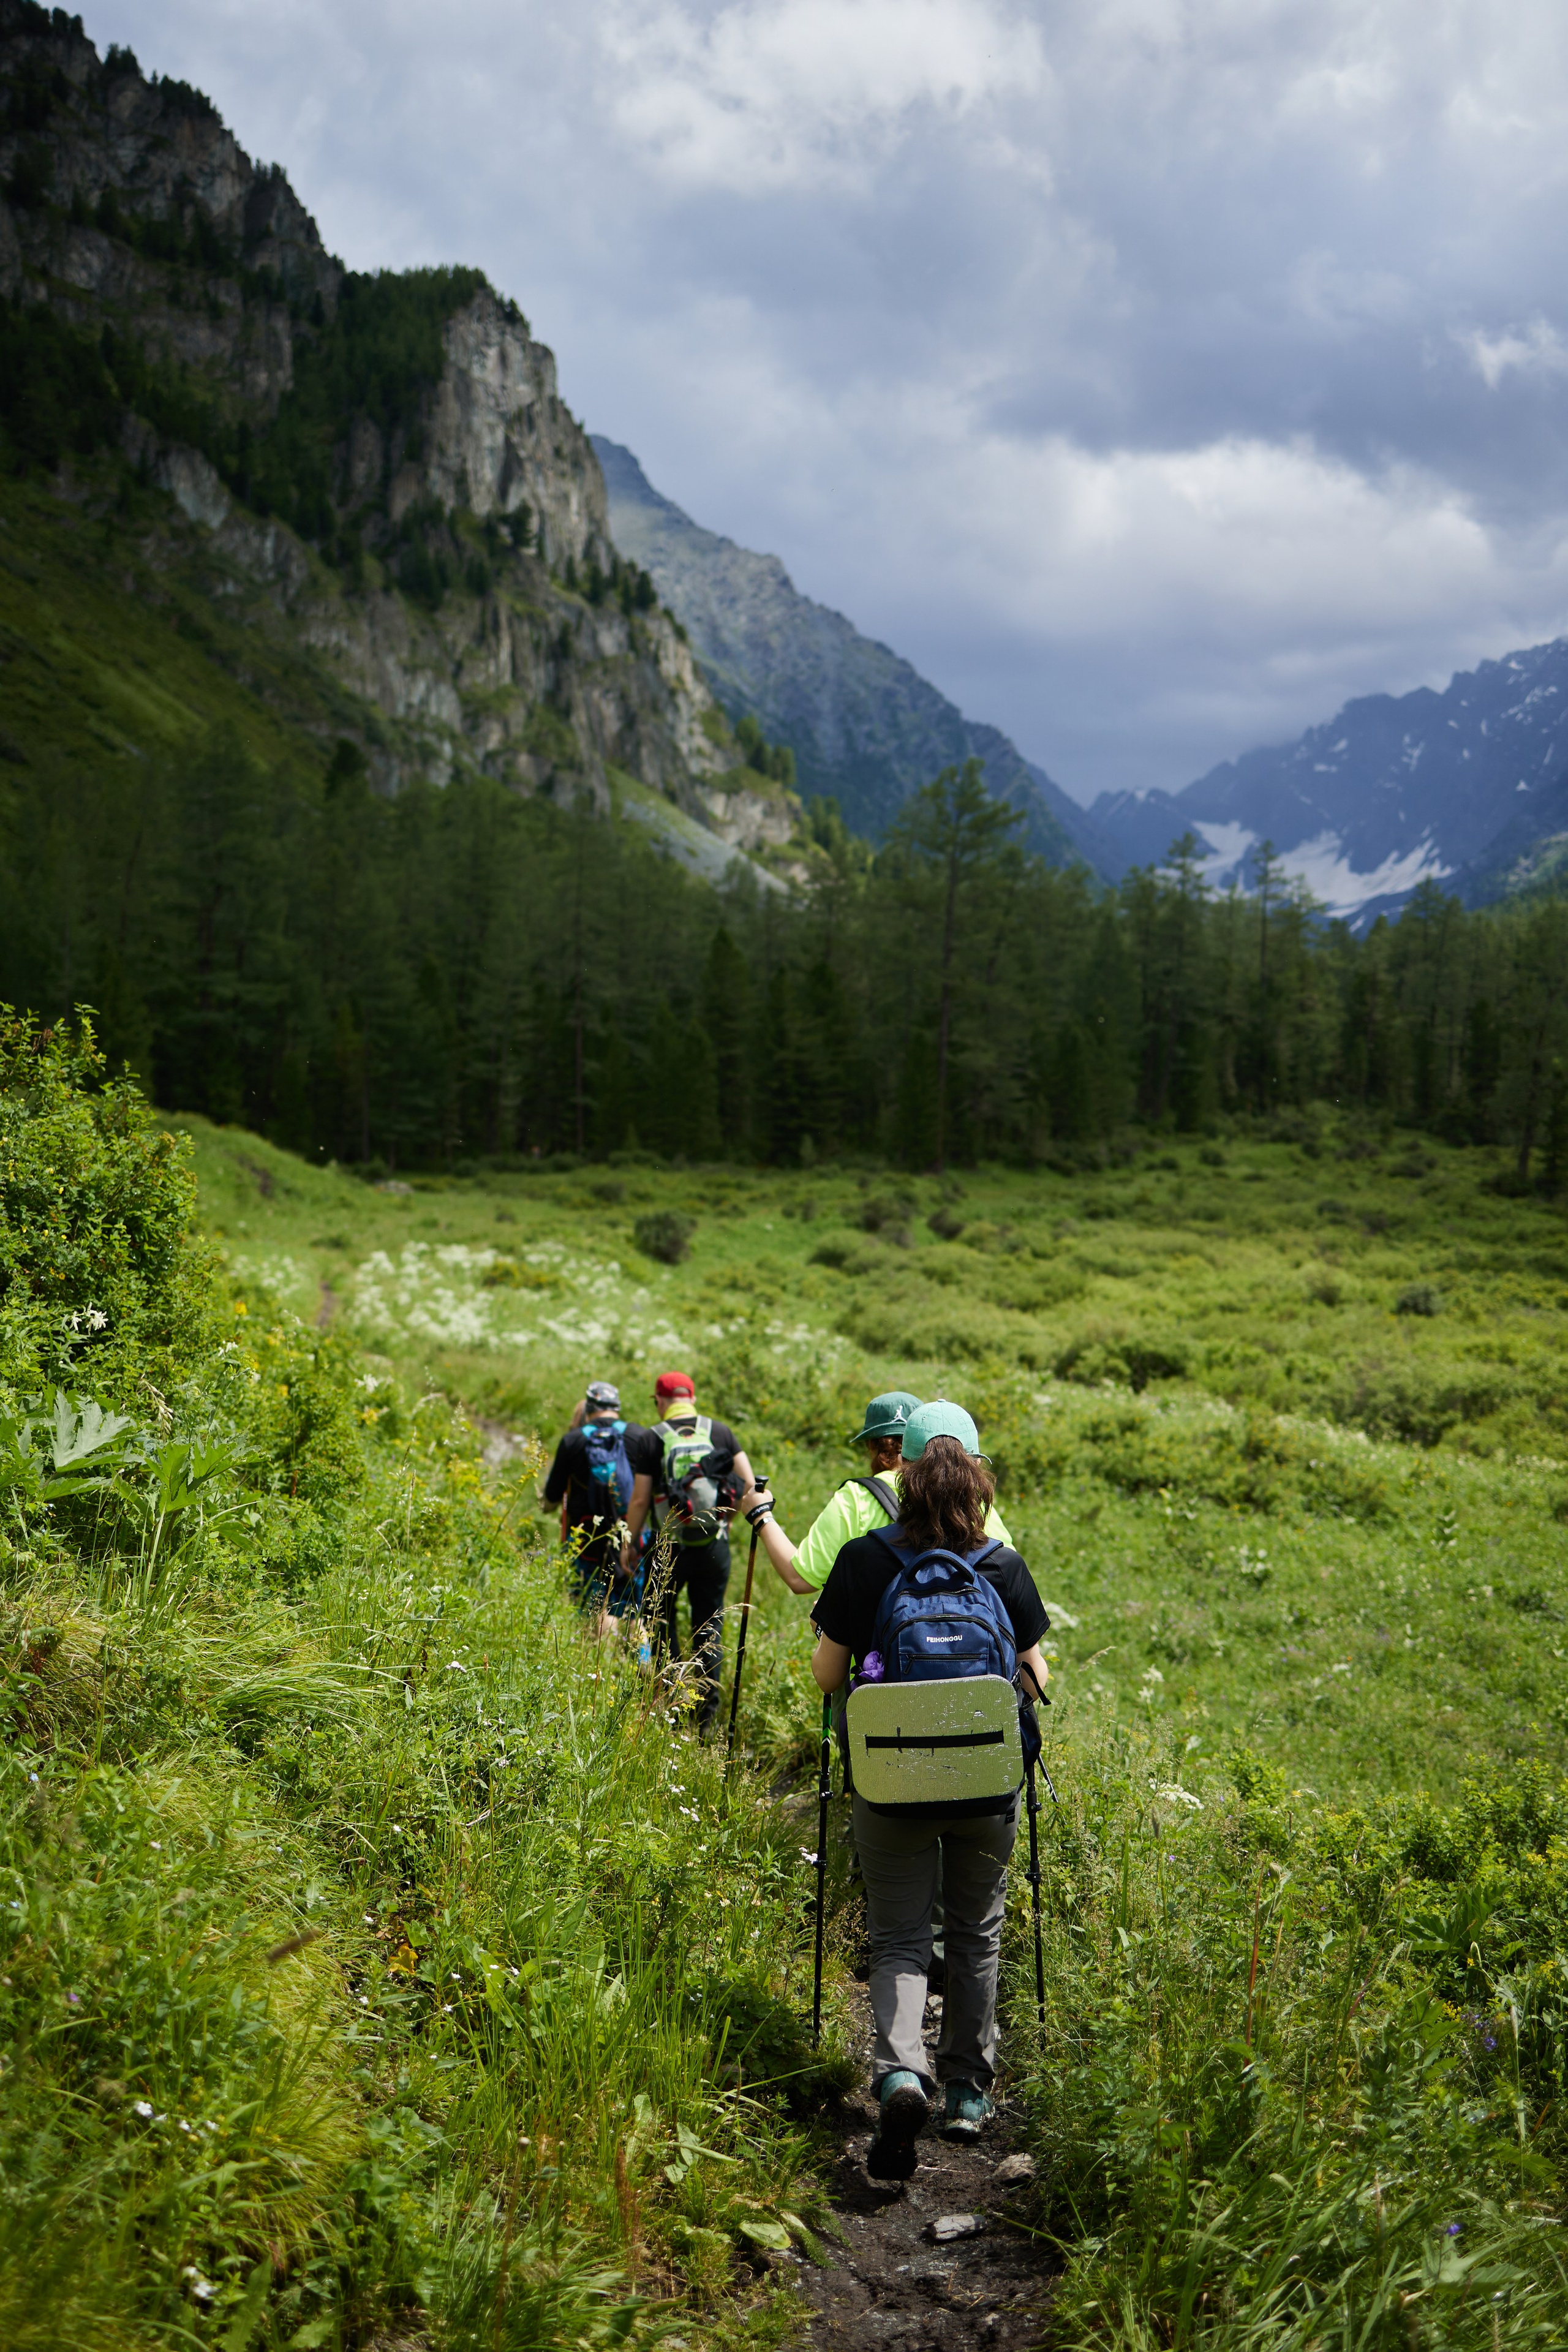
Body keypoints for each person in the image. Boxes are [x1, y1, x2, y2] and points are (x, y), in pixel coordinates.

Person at [809, 1401, 1049, 2176]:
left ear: (902, 1471)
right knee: (975, 1931)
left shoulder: (863, 1559)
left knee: (901, 1936)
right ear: (975, 1476)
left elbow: (826, 1674)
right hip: (985, 1786)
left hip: (890, 1784)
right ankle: (968, 2094)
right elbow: (1038, 1677)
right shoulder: (1002, 1565)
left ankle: (901, 2070)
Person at [733, 1390, 1016, 1596]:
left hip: (878, 1672)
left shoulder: (855, 1498)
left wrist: (762, 1516)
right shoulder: (970, 1498)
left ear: (872, 1446)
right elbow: (1007, 1578)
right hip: (977, 1669)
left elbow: (800, 1579)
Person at [620, 1370, 758, 1734]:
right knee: (709, 1625)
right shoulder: (720, 1432)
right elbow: (748, 1481)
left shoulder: (652, 1439)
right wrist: (725, 1518)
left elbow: (639, 1499)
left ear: (660, 1401)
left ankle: (668, 1699)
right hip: (714, 1547)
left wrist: (629, 1543)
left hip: (669, 1548)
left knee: (659, 1619)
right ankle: (706, 1718)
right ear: (692, 1398)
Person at [540, 1380, 661, 1627]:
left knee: (594, 1608)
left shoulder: (573, 1441)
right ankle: (642, 1663)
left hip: (586, 1540)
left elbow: (551, 1501)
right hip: (632, 1537)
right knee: (633, 1613)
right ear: (617, 1406)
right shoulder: (640, 1437)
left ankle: (599, 1663)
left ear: (589, 1407)